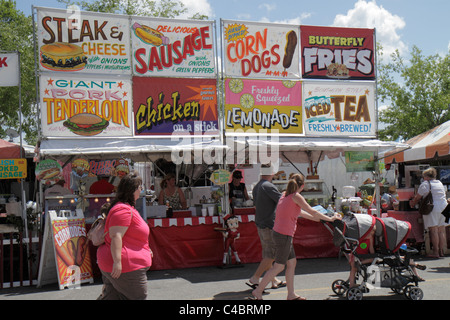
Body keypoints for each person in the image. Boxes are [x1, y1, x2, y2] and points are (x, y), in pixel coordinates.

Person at [251, 173, 342, 300]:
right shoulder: (296, 196)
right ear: (303, 186)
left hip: (280, 233)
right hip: (284, 235)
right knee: (279, 266)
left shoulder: (285, 194)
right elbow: (313, 211)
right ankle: (258, 291)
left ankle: (291, 294)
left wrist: (320, 219)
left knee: (292, 263)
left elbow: (302, 212)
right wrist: (331, 219)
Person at [96, 172, 153, 300]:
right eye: (140, 187)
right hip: (125, 267)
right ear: (132, 190)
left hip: (122, 265)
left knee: (113, 297)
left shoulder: (124, 208)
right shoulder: (123, 210)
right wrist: (117, 262)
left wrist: (144, 248)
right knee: (137, 297)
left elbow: (130, 235)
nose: (141, 190)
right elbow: (116, 236)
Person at [246, 165, 284, 290]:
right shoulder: (268, 186)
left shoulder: (258, 186)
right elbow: (282, 201)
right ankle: (255, 278)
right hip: (268, 224)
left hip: (261, 223)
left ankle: (273, 280)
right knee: (271, 255)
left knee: (268, 253)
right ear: (272, 173)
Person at [410, 167, 448, 258]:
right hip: (444, 207)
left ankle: (435, 252)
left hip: (433, 208)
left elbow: (417, 197)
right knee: (441, 230)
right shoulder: (440, 183)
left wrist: (412, 203)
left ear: (426, 176)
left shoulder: (425, 184)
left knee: (434, 230)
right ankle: (441, 251)